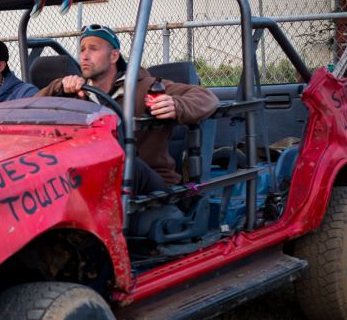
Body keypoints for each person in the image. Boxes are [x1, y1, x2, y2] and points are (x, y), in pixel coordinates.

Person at [37, 24, 219, 194]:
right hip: (94, 180)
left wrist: (177, 105)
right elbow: (30, 108)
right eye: (82, 49)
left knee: (121, 161)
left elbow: (207, 97)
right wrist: (58, 87)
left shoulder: (147, 87)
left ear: (114, 56)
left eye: (93, 49)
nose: (84, 56)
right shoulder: (77, 92)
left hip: (150, 182)